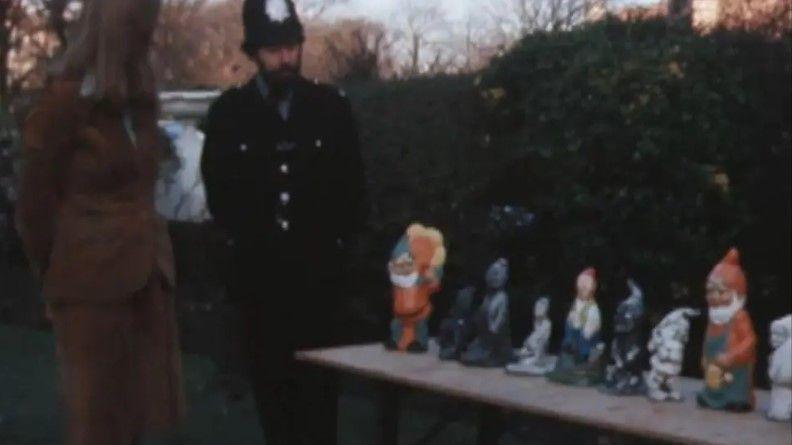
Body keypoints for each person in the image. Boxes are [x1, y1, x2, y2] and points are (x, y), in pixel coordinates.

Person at [15, 1, 184, 444]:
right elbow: (34, 206)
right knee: (96, 424)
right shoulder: (65, 102)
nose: (148, 39)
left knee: (137, 422)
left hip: (145, 279)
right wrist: (55, 272)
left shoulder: (140, 102)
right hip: (90, 285)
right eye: (140, 30)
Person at [200, 0, 367, 443]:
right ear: (254, 52)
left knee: (320, 409)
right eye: (274, 49)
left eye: (292, 46)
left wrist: (337, 257)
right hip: (261, 291)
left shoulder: (330, 108)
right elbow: (222, 200)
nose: (286, 58)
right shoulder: (228, 116)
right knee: (276, 409)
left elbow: (352, 193)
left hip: (320, 290)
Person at [697, 248, 757, 412]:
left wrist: (732, 356)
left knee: (734, 384)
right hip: (713, 367)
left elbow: (749, 341)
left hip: (734, 368)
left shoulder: (739, 317)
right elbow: (708, 339)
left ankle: (738, 399)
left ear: (737, 294)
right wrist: (704, 356)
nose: (714, 296)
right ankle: (711, 396)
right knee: (713, 382)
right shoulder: (714, 317)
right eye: (710, 291)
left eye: (721, 292)